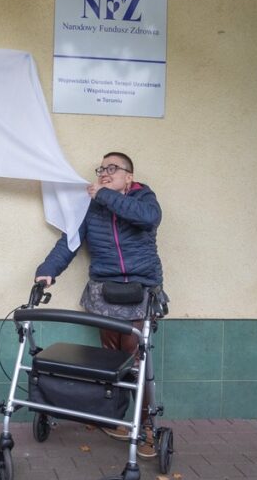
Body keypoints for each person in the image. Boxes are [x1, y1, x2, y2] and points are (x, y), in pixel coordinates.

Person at [34, 151, 162, 455]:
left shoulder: (144, 199)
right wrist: (47, 272)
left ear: (129, 177)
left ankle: (146, 426)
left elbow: (147, 219)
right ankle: (113, 417)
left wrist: (104, 194)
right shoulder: (91, 208)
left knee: (136, 358)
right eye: (102, 168)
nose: (105, 172)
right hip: (105, 290)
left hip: (139, 288)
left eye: (113, 168)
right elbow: (69, 242)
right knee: (110, 359)